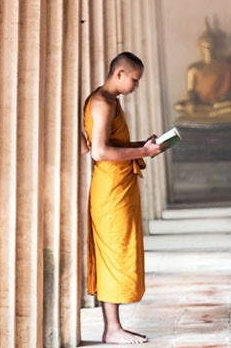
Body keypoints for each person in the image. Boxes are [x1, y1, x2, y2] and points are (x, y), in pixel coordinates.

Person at [83, 52, 163, 344]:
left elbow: (111, 144)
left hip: (118, 185)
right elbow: (100, 152)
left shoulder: (110, 101)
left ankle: (114, 326)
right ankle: (112, 328)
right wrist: (142, 153)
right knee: (114, 253)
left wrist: (142, 145)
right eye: (134, 80)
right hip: (109, 188)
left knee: (120, 250)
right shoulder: (102, 102)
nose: (136, 86)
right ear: (119, 73)